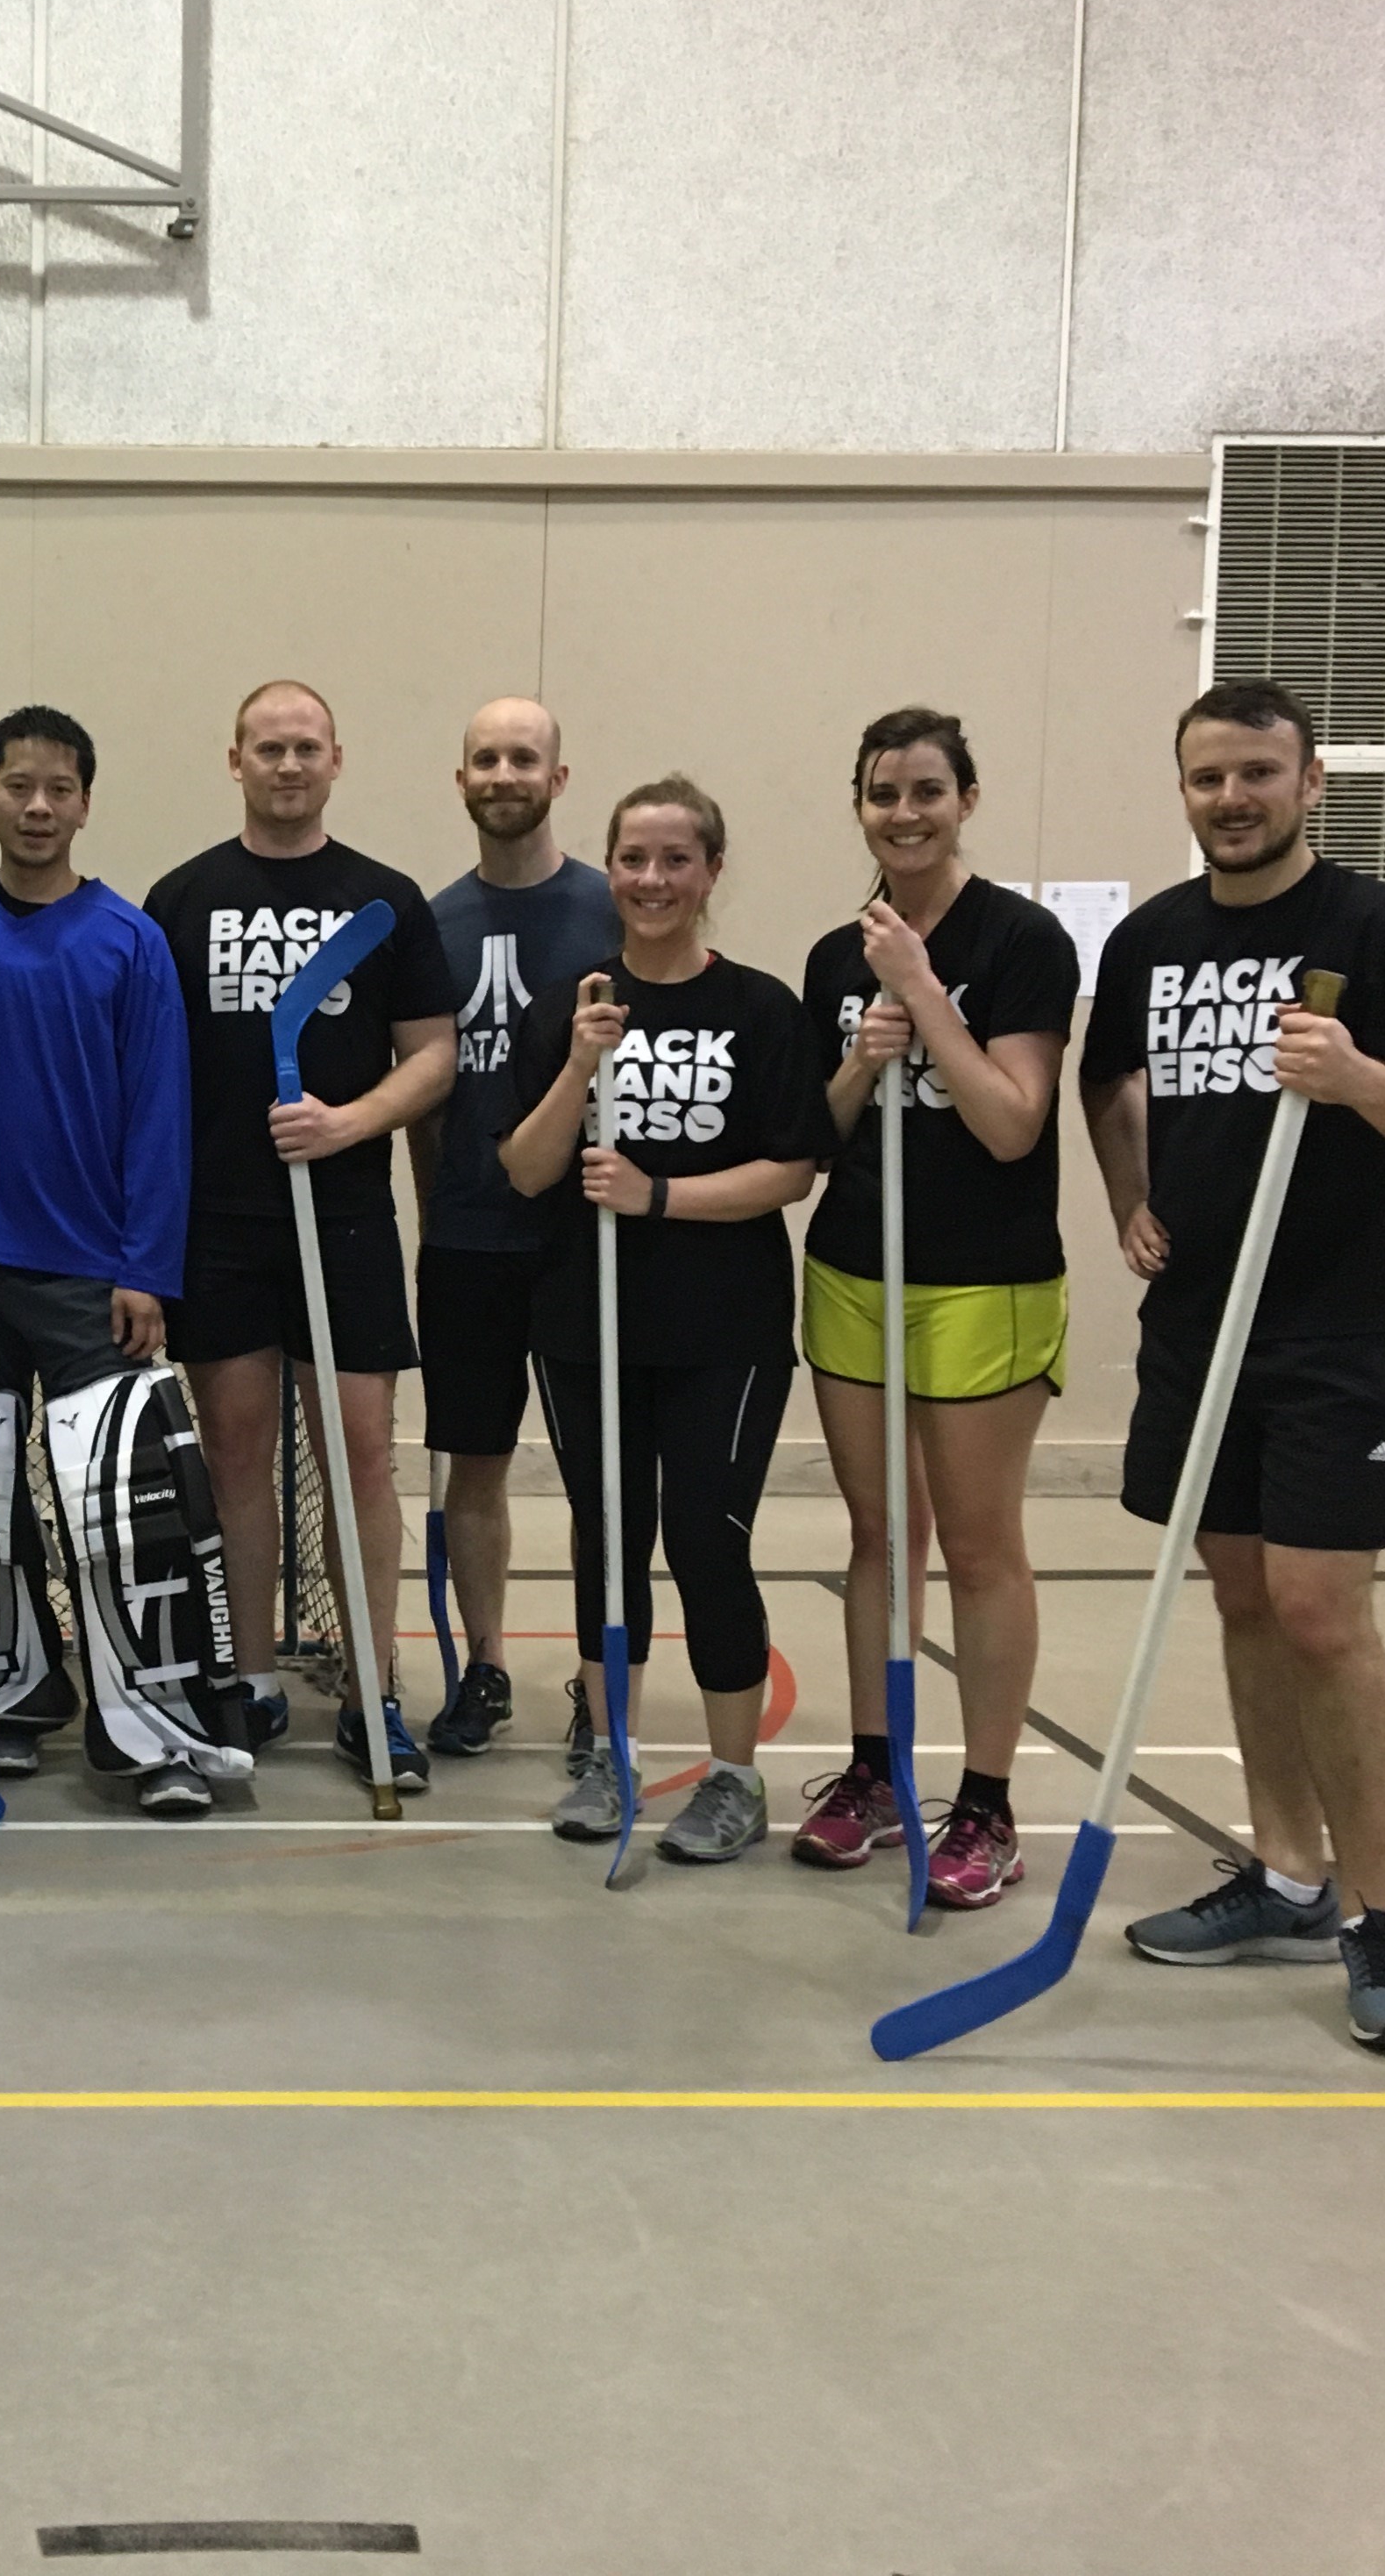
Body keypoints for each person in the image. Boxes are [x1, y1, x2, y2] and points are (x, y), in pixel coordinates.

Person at [1086, 677, 1385, 2056]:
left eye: (1259, 774)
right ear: (1185, 790)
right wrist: (1130, 1195)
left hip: (1339, 1322)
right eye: (1209, 779)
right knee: (1247, 1599)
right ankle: (1286, 1873)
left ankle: (1379, 1916)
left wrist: (1361, 1080)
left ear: (1310, 782)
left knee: (1324, 1614)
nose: (1234, 800)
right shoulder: (1151, 940)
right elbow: (1110, 1080)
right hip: (1202, 1320)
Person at [0, 704, 240, 1820]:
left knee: (118, 1515)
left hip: (89, 1276)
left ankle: (150, 1732)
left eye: (59, 788)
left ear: (87, 802)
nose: (38, 806)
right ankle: (4, 1701)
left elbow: (161, 1115)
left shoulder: (130, 938)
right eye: (18, 785)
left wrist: (145, 1265)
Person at [500, 775, 825, 1864]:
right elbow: (525, 1166)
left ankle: (734, 1779)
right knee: (607, 1540)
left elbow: (790, 1171)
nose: (651, 880)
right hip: (584, 1321)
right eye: (633, 859)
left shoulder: (760, 1008)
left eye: (675, 860)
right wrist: (581, 1064)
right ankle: (614, 1756)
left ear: (711, 873)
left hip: (720, 1331)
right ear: (611, 869)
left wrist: (660, 1197)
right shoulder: (569, 1004)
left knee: (705, 1541)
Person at [141, 681, 456, 1793]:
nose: (288, 764)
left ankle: (374, 1692)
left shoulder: (386, 900)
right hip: (218, 1225)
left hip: (350, 1218)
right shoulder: (180, 899)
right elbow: (153, 1070)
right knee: (234, 1457)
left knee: (360, 1454)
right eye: (268, 748)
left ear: (337, 759)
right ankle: (255, 1677)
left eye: (306, 747)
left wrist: (349, 1123)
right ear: (235, 761)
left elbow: (433, 1054)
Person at [794, 710, 1078, 1908]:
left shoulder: (1024, 941)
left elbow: (1014, 1121)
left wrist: (923, 990)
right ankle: (871, 1766)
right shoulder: (830, 956)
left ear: (967, 797)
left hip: (986, 1276)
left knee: (975, 1542)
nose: (903, 813)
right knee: (877, 1535)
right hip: (857, 1264)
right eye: (881, 794)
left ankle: (988, 1803)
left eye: (924, 790)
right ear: (858, 805)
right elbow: (816, 1143)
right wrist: (860, 1054)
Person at [406, 696, 618, 1765]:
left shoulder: (614, 910)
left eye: (522, 756)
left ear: (558, 777)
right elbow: (424, 1101)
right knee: (473, 1463)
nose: (503, 772)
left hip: (589, 1238)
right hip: (470, 1240)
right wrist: (440, 1213)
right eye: (483, 756)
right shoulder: (431, 925)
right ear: (461, 780)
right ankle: (485, 1666)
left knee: (598, 1473)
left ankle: (597, 1682)